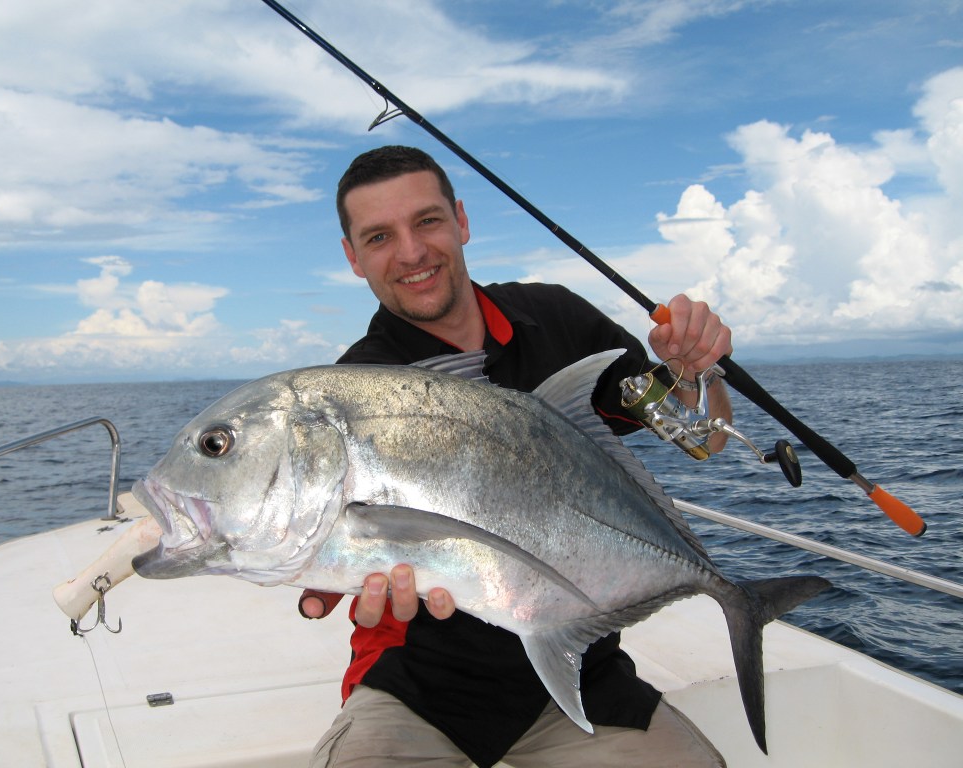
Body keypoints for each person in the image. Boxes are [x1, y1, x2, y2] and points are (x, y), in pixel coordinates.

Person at [301, 145, 733, 768]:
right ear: (353, 257)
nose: (412, 252)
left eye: (426, 221)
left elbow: (705, 436)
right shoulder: (358, 389)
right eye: (378, 236)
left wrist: (699, 370)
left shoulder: (556, 320)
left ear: (461, 221)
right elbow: (335, 542)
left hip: (585, 669)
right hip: (420, 690)